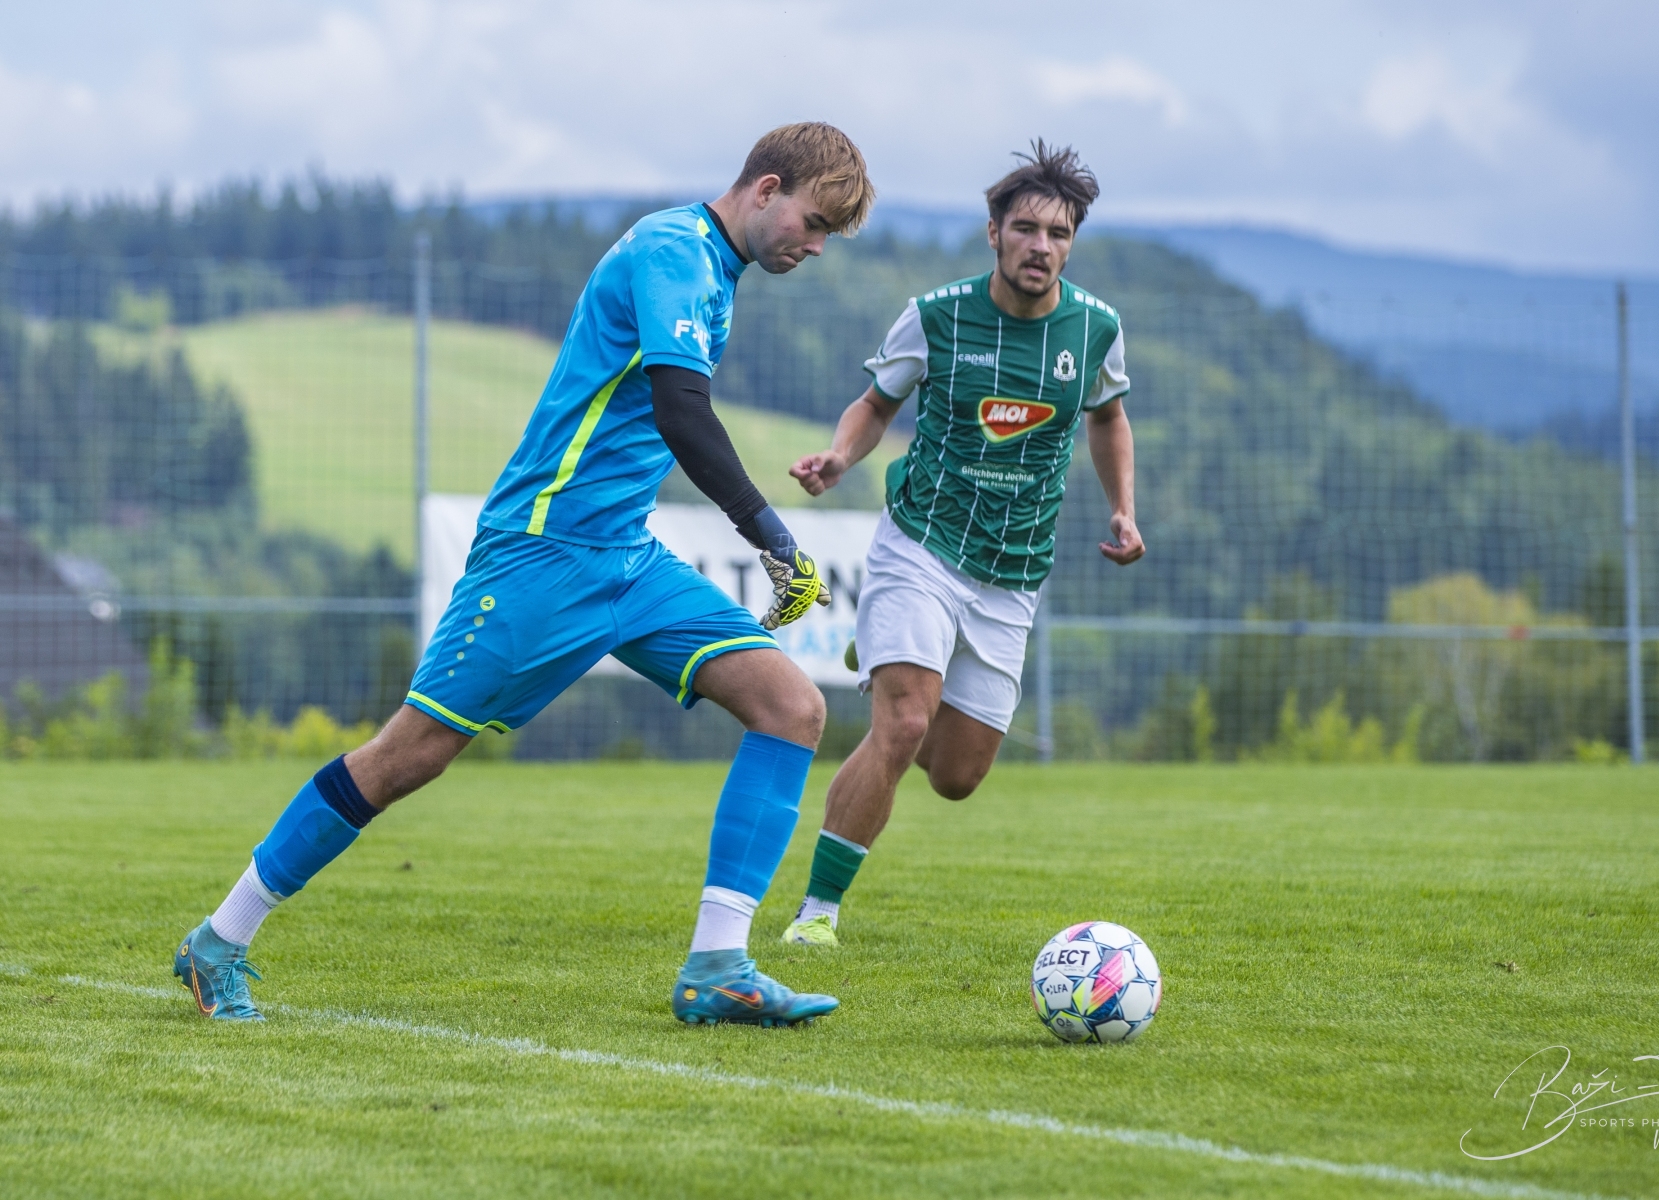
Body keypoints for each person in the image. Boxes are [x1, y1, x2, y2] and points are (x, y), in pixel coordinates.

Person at [174, 123, 874, 1026]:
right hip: (542, 551)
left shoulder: (716, 271)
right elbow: (683, 412)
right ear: (768, 188)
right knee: (407, 757)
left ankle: (718, 967)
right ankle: (219, 940)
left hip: (626, 556)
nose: (815, 248)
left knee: (791, 707)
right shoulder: (674, 249)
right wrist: (769, 535)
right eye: (813, 224)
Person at [782, 141, 1144, 948]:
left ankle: (899, 656)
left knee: (954, 776)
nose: (1040, 246)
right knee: (904, 725)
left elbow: (1109, 417)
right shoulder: (937, 315)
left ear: (1072, 243)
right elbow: (876, 405)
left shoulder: (1096, 329)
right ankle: (816, 915)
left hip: (1013, 572)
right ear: (994, 232)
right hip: (924, 544)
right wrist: (840, 456)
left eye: (1057, 234)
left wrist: (1124, 509)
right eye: (1025, 229)